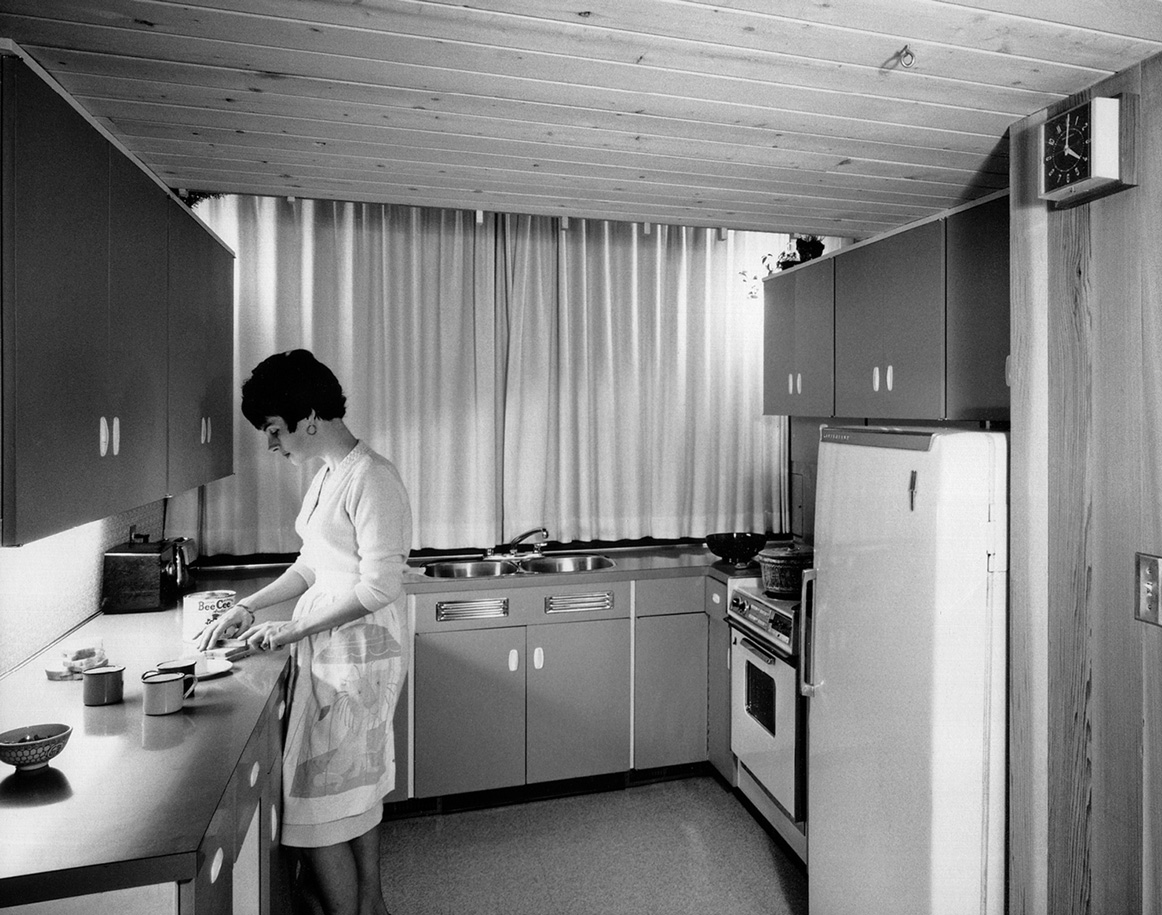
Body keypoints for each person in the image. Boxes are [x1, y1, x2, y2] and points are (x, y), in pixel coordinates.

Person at [198, 349, 411, 915]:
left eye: (273, 430)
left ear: (309, 417)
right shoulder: (326, 476)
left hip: (359, 655)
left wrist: (291, 632)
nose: (271, 445)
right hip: (330, 645)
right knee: (350, 793)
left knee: (322, 806)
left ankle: (359, 907)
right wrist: (252, 607)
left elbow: (378, 587)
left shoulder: (373, 478)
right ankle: (371, 906)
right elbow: (312, 564)